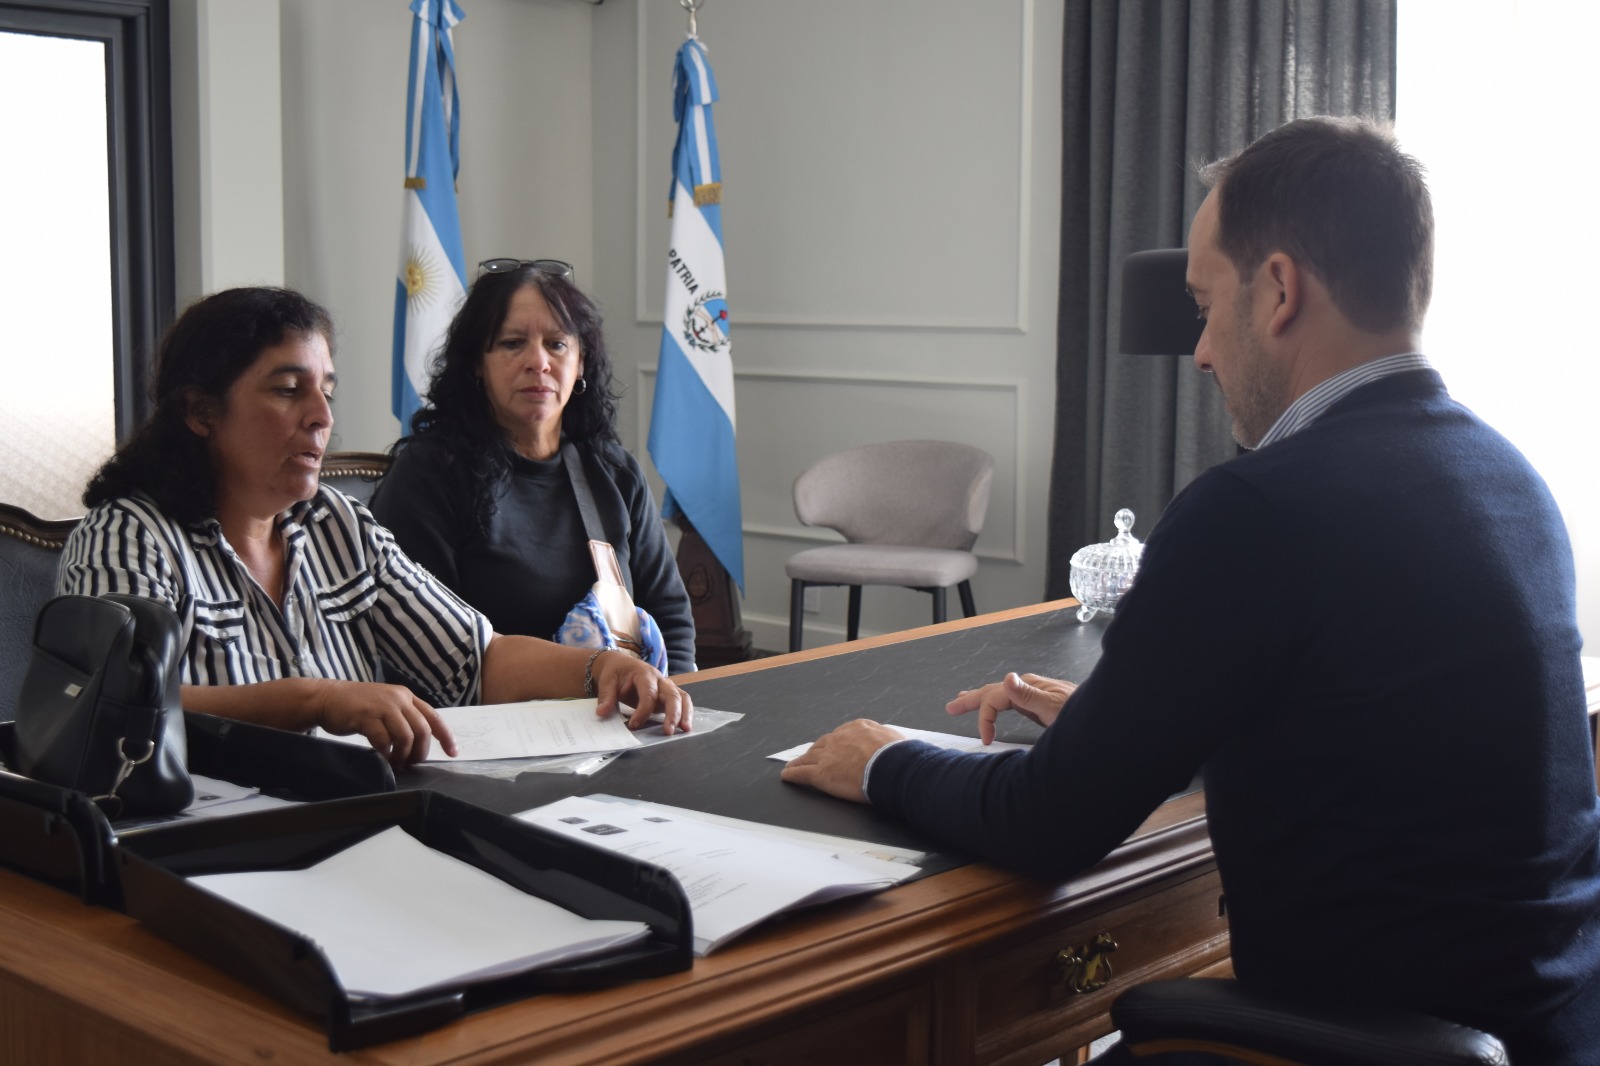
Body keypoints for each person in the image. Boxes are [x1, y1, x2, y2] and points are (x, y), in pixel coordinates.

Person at [782, 117, 1600, 1063]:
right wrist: (1133, 723)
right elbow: (1388, 736)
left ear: (1281, 290)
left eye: (1207, 306)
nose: (1202, 352)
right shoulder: (1513, 480)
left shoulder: (1256, 508)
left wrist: (880, 759)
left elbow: (1050, 822)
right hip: (1549, 1033)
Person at [59, 286, 690, 767]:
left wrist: (599, 669)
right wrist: (317, 700)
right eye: (287, 390)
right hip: (201, 844)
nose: (321, 417)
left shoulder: (335, 524)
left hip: (357, 821)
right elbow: (118, 706)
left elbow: (481, 657)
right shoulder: (128, 536)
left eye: (327, 391)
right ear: (201, 411)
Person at [369, 259, 696, 676]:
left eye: (557, 344)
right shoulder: (430, 474)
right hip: (489, 726)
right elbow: (421, 650)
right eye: (512, 343)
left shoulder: (616, 473)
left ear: (580, 363)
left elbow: (670, 615)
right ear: (476, 363)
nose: (537, 362)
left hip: (628, 718)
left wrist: (679, 708)